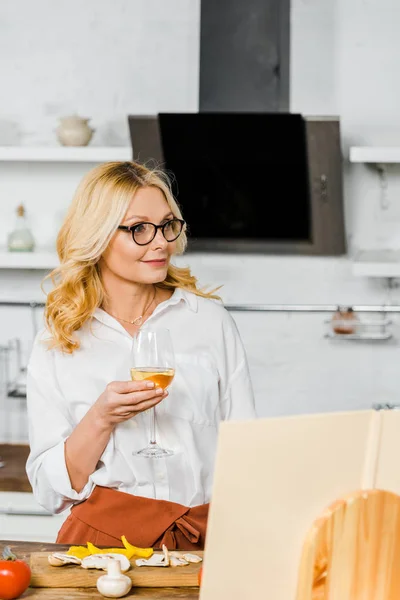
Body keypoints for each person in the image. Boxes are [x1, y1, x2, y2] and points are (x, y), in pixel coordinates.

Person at [26, 161, 256, 550]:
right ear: (96, 235)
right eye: (138, 229)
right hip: (100, 545)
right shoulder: (59, 338)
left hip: (203, 539)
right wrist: (100, 419)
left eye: (167, 225)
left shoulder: (209, 321)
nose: (161, 242)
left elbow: (248, 449)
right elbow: (49, 493)